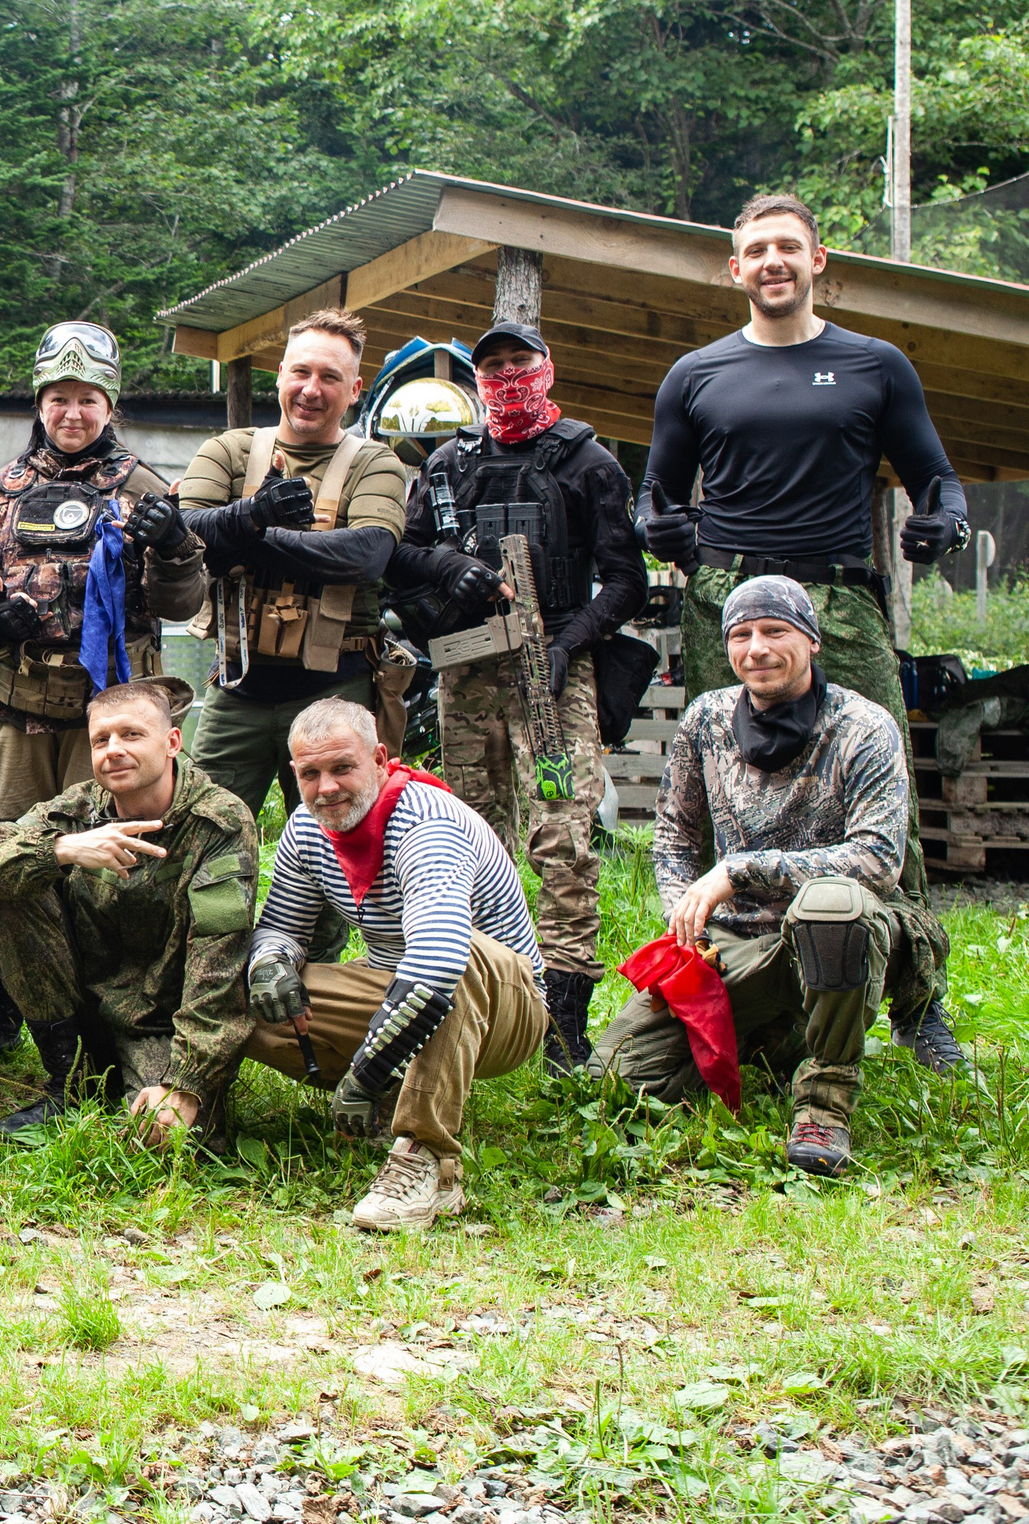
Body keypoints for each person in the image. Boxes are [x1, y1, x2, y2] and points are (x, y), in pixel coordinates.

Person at [639, 191, 965, 1069]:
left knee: (881, 778)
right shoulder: (695, 375)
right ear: (734, 268)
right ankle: (720, 972)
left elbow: (939, 479)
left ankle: (916, 999)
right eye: (757, 249)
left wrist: (946, 523)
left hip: (839, 604)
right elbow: (655, 494)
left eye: (790, 246)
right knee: (719, 785)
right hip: (726, 600)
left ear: (820, 261)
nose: (774, 261)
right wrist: (657, 528)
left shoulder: (876, 364)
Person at [589, 578, 950, 1174]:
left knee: (831, 907)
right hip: (736, 939)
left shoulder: (864, 725)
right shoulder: (707, 718)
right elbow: (675, 834)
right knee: (614, 1081)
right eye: (741, 634)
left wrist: (740, 870)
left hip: (846, 928)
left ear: (811, 641)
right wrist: (684, 915)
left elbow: (877, 860)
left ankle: (824, 1107)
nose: (755, 648)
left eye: (774, 631)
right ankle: (788, 1037)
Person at [390, 320, 646, 1068]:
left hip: (551, 682)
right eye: (492, 363)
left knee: (562, 837)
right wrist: (447, 568)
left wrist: (569, 643)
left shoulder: (589, 462)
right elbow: (399, 556)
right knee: (469, 835)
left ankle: (564, 1019)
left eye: (519, 360)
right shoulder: (447, 463)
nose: (506, 373)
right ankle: (485, 1001)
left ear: (547, 368)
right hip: (469, 677)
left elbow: (627, 578)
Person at [224, 698, 547, 1233]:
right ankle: (395, 1094)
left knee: (454, 955)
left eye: (342, 768)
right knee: (240, 993)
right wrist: (270, 963)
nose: (326, 787)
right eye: (310, 773)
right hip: (396, 989)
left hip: (502, 1006)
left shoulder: (427, 823)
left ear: (379, 759)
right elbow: (281, 926)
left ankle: (427, 1161)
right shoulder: (307, 829)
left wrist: (367, 1070)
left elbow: (439, 959)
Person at [0, 677, 259, 1143]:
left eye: (132, 735)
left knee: (169, 1140)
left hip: (161, 1023)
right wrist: (62, 849)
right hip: (80, 1011)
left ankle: (130, 1085)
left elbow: (219, 965)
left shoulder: (217, 823)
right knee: (13, 887)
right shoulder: (78, 809)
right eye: (101, 739)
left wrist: (187, 1082)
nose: (113, 750)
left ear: (172, 742)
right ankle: (68, 1083)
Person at [0, 319, 206, 816]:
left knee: (110, 856)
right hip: (16, 714)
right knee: (16, 850)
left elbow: (181, 604)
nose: (72, 414)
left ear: (110, 406)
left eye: (88, 399)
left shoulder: (145, 489)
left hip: (114, 721)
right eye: (59, 398)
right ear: (40, 404)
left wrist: (173, 546)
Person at [177, 308, 411, 820]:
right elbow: (188, 532)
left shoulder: (376, 463)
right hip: (238, 690)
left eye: (330, 377)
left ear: (355, 390)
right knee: (198, 833)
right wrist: (251, 517)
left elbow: (366, 555)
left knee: (344, 843)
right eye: (301, 372)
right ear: (280, 374)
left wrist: (244, 532)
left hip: (337, 693)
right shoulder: (229, 450)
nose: (311, 389)